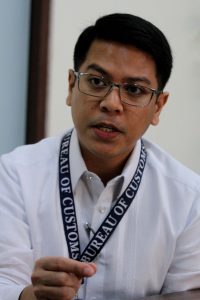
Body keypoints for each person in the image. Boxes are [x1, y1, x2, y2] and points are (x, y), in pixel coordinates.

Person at [0, 12, 200, 300]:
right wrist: (30, 296)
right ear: (71, 86)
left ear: (158, 106)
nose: (111, 104)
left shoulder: (189, 199)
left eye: (134, 90)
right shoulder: (15, 175)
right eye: (96, 82)